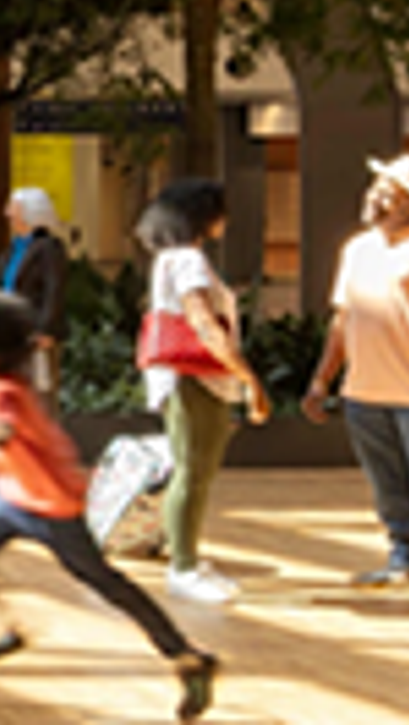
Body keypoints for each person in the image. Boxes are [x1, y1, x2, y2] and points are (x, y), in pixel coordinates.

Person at [0, 284, 220, 721]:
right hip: (11, 495)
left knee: (106, 584)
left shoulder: (3, 391)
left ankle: (187, 656)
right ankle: (10, 629)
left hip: (52, 505)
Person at [298, 151, 409, 608]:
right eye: (377, 189)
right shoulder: (357, 249)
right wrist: (322, 380)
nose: (379, 200)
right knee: (387, 482)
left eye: (391, 194)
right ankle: (407, 555)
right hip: (364, 389)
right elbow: (343, 320)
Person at [134, 177, 269, 604]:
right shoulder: (188, 260)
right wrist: (249, 378)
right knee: (194, 470)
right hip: (195, 378)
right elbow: (204, 322)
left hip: (183, 377)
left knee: (194, 468)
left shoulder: (169, 259)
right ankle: (184, 567)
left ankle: (187, 557)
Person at [0, 188, 71, 390]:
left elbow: (53, 289)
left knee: (41, 392)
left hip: (35, 332)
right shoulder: (14, 248)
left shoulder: (48, 247)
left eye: (13, 208)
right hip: (12, 330)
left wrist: (45, 329)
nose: (7, 213)